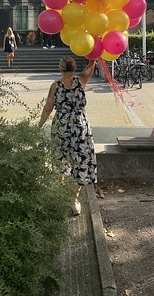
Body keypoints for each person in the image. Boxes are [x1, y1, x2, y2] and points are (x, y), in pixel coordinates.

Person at [38, 56, 97, 216]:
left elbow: (48, 108)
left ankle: (59, 194)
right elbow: (91, 64)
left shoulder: (55, 86)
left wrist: (39, 125)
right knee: (80, 161)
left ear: (60, 68)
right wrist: (92, 56)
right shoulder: (81, 81)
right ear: (73, 67)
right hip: (79, 126)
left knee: (60, 159)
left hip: (61, 126)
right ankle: (73, 199)